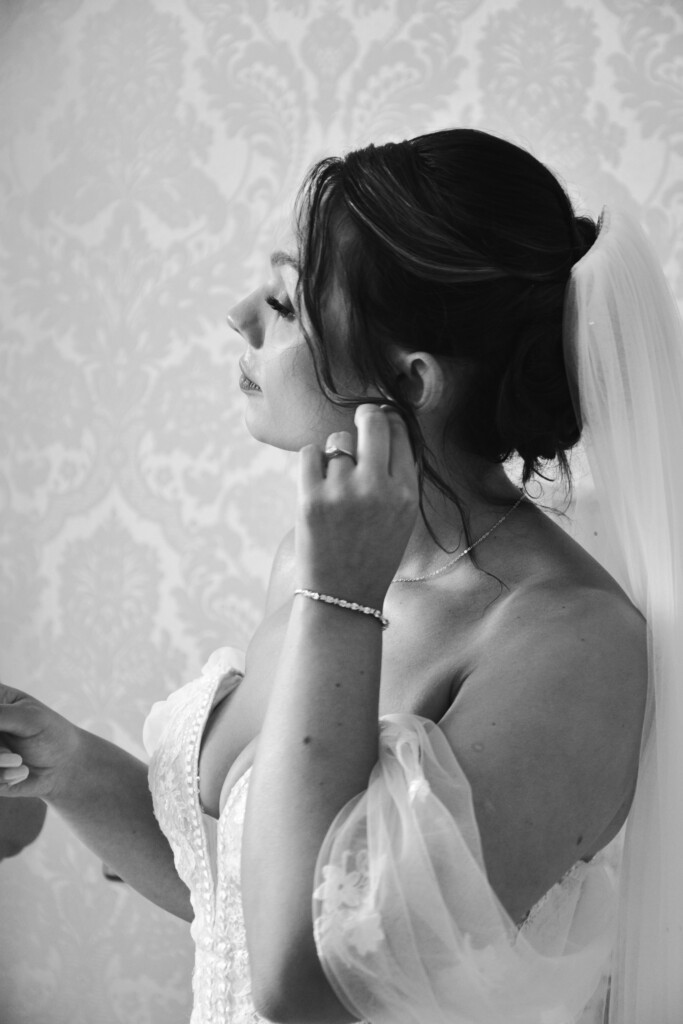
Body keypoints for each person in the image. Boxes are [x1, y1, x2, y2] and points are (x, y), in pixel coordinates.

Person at [0, 128, 680, 1024]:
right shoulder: (317, 564)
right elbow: (240, 905)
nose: (240, 314)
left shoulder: (570, 641)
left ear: (411, 380)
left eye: (284, 301)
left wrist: (340, 601)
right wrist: (69, 766)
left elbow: (310, 985)